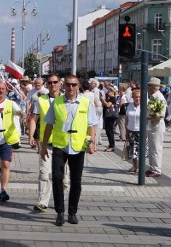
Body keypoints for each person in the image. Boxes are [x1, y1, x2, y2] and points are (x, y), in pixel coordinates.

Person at [40, 74, 97, 226]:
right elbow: (49, 125)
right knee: (57, 178)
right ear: (63, 86)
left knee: (76, 181)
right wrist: (44, 145)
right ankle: (60, 212)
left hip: (78, 147)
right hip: (60, 145)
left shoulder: (85, 103)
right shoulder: (57, 102)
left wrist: (92, 142)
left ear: (78, 86)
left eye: (73, 85)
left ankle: (72, 212)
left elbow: (91, 125)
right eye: (68, 85)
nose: (70, 88)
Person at [28, 74, 70, 212]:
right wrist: (31, 136)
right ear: (47, 84)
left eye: (55, 82)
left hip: (64, 143)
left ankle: (61, 201)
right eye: (50, 82)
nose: (53, 85)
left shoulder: (67, 100)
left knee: (64, 177)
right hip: (47, 144)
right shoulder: (41, 101)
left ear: (60, 84)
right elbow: (34, 118)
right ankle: (42, 201)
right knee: (44, 173)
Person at [146, 77, 167, 177]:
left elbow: (161, 114)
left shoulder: (158, 97)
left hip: (157, 125)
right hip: (153, 125)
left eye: (149, 85)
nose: (147, 87)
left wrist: (147, 118)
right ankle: (152, 167)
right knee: (151, 147)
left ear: (153, 87)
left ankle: (156, 169)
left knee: (156, 148)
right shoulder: (154, 96)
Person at [125, 89, 147, 173]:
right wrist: (126, 131)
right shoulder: (129, 106)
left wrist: (146, 132)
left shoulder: (144, 106)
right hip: (131, 129)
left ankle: (141, 167)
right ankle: (135, 166)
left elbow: (146, 120)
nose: (137, 99)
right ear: (133, 97)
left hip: (141, 130)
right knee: (133, 149)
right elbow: (127, 119)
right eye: (136, 97)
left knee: (142, 150)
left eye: (139, 97)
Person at [100, 88, 118, 152]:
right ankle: (110, 145)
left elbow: (108, 105)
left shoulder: (113, 98)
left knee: (110, 132)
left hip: (110, 117)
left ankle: (112, 146)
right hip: (107, 116)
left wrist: (102, 100)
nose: (107, 92)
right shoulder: (109, 98)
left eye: (109, 91)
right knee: (108, 132)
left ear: (112, 92)